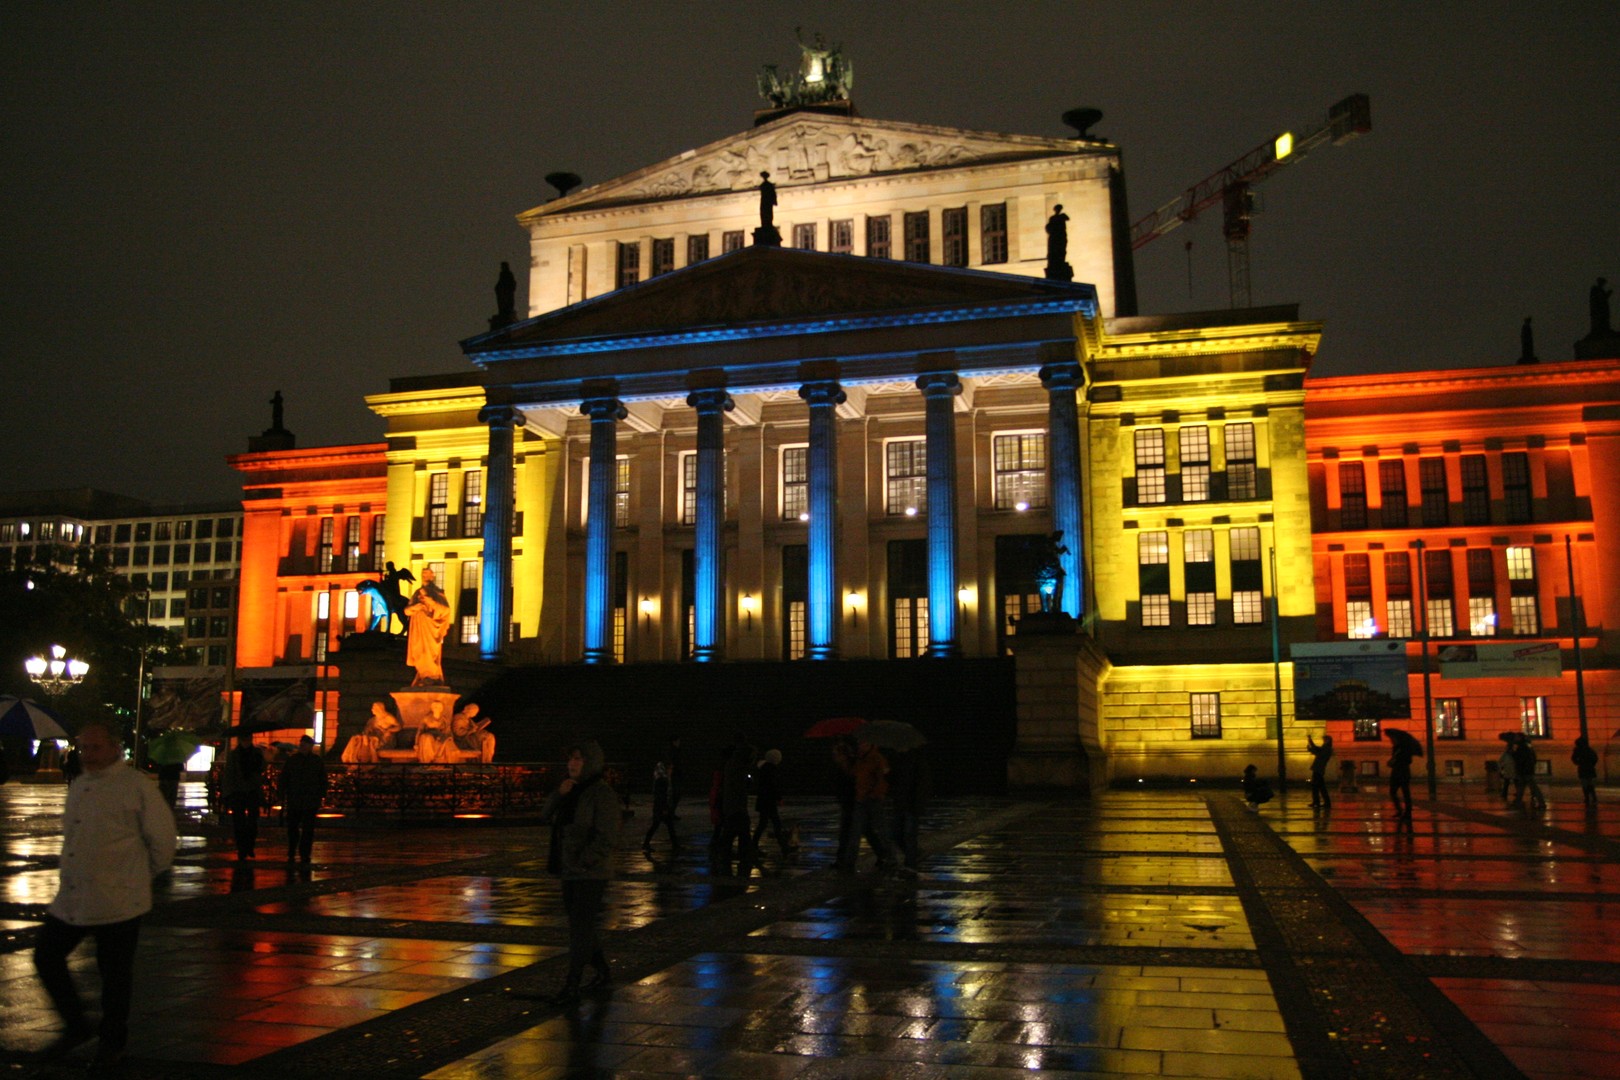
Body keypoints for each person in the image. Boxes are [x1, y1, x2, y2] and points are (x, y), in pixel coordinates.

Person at [33, 716, 176, 1066]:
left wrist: (139, 876)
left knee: (114, 974)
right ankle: (77, 1024)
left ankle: (111, 1043)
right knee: (47, 956)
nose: (88, 755)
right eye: (84, 748)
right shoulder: (81, 784)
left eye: (96, 748)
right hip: (75, 895)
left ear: (115, 748)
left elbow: (163, 840)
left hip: (119, 897)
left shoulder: (135, 785)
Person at [541, 739, 620, 1002]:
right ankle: (603, 970)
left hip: (591, 872)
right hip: (569, 868)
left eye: (578, 759)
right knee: (580, 924)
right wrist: (558, 794)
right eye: (571, 759)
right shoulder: (571, 790)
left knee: (580, 928)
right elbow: (545, 815)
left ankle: (572, 983)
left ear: (590, 762)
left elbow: (607, 836)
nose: (572, 764)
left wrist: (584, 860)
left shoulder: (601, 793)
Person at [837, 734, 894, 871]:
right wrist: (844, 762)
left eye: (863, 743)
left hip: (873, 800)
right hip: (861, 800)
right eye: (860, 743)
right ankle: (849, 863)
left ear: (870, 744)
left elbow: (882, 780)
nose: (860, 746)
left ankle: (891, 859)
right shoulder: (861, 758)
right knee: (855, 832)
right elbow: (854, 773)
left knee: (881, 831)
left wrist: (875, 794)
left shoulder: (876, 758)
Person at [278, 735, 328, 864]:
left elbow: (322, 779)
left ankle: (303, 852)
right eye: (302, 745)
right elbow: (284, 778)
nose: (303, 747)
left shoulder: (313, 761)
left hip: (307, 799)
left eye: (304, 745)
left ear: (310, 746)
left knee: (306, 829)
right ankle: (295, 850)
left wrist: (321, 794)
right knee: (294, 828)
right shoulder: (296, 760)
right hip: (298, 799)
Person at [402, 566, 452, 686]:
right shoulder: (417, 593)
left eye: (428, 574)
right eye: (423, 574)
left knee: (429, 653)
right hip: (418, 627)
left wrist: (431, 601)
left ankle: (431, 676)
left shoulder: (437, 593)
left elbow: (445, 610)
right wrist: (416, 607)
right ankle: (422, 675)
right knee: (418, 652)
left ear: (432, 577)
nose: (425, 577)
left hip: (431, 628)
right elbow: (406, 611)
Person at [220, 733, 266, 860]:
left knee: (252, 821)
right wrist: (228, 792)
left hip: (252, 791)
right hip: (238, 792)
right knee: (239, 822)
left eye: (248, 739)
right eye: (244, 739)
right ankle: (242, 848)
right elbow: (229, 774)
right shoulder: (234, 755)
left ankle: (249, 845)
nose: (246, 742)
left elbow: (262, 768)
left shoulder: (256, 753)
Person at [888, 747, 930, 875]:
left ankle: (910, 864)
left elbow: (922, 783)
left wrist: (918, 803)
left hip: (911, 804)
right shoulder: (898, 760)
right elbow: (894, 781)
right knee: (897, 834)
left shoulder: (917, 761)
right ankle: (913, 856)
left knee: (909, 835)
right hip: (900, 803)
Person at [751, 749, 791, 858]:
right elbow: (772, 785)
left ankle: (783, 846)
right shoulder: (770, 769)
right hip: (768, 801)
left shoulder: (765, 768)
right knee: (775, 824)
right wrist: (779, 798)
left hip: (765, 801)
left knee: (764, 824)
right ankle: (784, 847)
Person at [642, 761, 680, 854]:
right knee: (662, 825)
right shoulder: (662, 780)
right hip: (661, 807)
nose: (671, 771)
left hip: (660, 807)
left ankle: (646, 843)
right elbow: (661, 795)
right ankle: (674, 845)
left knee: (662, 825)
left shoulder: (661, 778)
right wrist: (664, 808)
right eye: (670, 769)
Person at [1386, 730, 1416, 819]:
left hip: (1403, 772)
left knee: (1405, 793)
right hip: (1396, 772)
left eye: (1392, 739)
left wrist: (1397, 760)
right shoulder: (1396, 748)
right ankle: (1399, 810)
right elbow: (1394, 759)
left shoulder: (1405, 748)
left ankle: (1407, 812)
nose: (1391, 740)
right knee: (1393, 792)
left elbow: (1409, 761)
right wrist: (1392, 762)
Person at [1512, 734, 1546, 811]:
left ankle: (1541, 803)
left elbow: (1520, 759)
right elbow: (1532, 758)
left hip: (1525, 771)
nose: (1515, 739)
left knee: (1532, 787)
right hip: (1526, 770)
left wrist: (1513, 754)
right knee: (1521, 787)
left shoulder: (1522, 747)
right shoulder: (1526, 746)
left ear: (1520, 738)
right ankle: (1518, 801)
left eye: (1517, 737)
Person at [1306, 734, 1334, 809]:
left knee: (1316, 786)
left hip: (1318, 769)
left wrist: (1310, 743)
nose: (1323, 741)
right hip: (1319, 769)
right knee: (1320, 787)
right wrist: (1310, 746)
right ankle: (1322, 802)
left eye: (1325, 740)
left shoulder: (1327, 748)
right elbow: (1317, 750)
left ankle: (1318, 802)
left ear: (1328, 741)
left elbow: (1318, 752)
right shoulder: (1326, 748)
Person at [1572, 736, 1599, 808]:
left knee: (1585, 784)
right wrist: (1592, 764)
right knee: (1590, 783)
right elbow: (1595, 758)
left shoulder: (1577, 750)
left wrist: (1578, 762)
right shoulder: (1589, 750)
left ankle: (1587, 798)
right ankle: (1593, 797)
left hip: (1583, 768)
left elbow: (1573, 758)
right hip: (1589, 768)